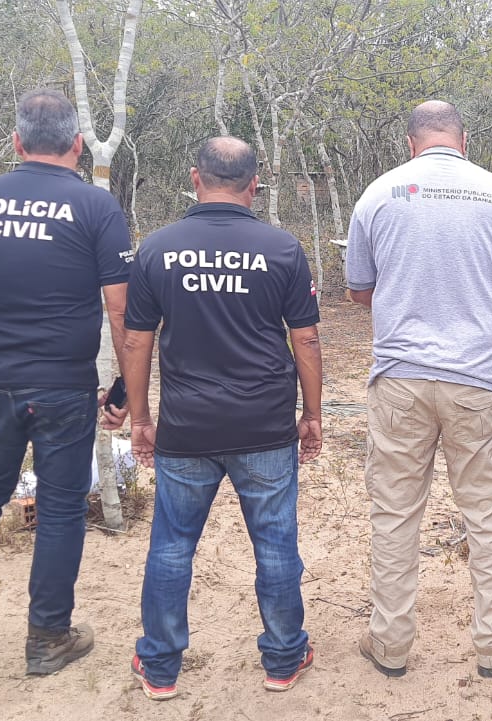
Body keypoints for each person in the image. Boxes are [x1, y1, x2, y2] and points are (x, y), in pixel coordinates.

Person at [0, 89, 132, 676]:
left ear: (14, 142)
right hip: (63, 383)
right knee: (61, 508)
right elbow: (122, 311)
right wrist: (128, 392)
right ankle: (47, 637)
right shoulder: (96, 207)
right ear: (78, 145)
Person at [108, 137, 323, 700]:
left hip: (187, 426)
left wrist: (140, 417)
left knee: (172, 546)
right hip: (264, 426)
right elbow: (305, 338)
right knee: (276, 545)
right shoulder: (281, 249)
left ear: (195, 178)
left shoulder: (158, 249)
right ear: (254, 185)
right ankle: (283, 658)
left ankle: (160, 666)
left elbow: (136, 340)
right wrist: (312, 414)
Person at [345, 100, 492, 679]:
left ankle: (390, 645)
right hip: (479, 380)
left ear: (411, 143)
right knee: (488, 516)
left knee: (394, 514)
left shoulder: (378, 195)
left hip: (399, 380)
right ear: (464, 139)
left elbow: (359, 291)